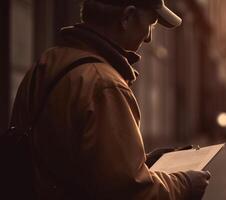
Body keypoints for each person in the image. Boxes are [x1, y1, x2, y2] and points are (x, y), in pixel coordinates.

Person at [10, 0, 210, 199]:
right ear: (127, 17)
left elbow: (67, 159)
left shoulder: (46, 64)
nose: (149, 37)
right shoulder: (104, 84)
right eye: (151, 24)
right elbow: (132, 193)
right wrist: (185, 184)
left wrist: (142, 162)